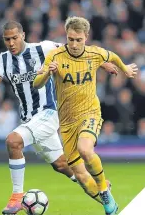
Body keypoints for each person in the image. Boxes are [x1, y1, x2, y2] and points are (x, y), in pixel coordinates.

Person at [0, 21, 118, 215]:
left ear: (23, 35)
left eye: (14, 38)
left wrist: (104, 63)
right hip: (30, 120)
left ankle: (16, 197)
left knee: (13, 141)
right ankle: (105, 196)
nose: (11, 42)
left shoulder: (44, 48)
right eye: (7, 39)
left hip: (48, 113)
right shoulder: (4, 59)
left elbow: (76, 50)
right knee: (63, 166)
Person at [33, 16, 138, 215]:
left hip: (90, 112)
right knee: (81, 177)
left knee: (85, 149)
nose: (74, 44)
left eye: (78, 40)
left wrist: (124, 68)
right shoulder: (55, 56)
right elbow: (36, 83)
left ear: (86, 37)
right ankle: (111, 206)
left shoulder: (94, 53)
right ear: (66, 36)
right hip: (66, 123)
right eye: (70, 39)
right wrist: (47, 73)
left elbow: (112, 56)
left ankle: (104, 190)